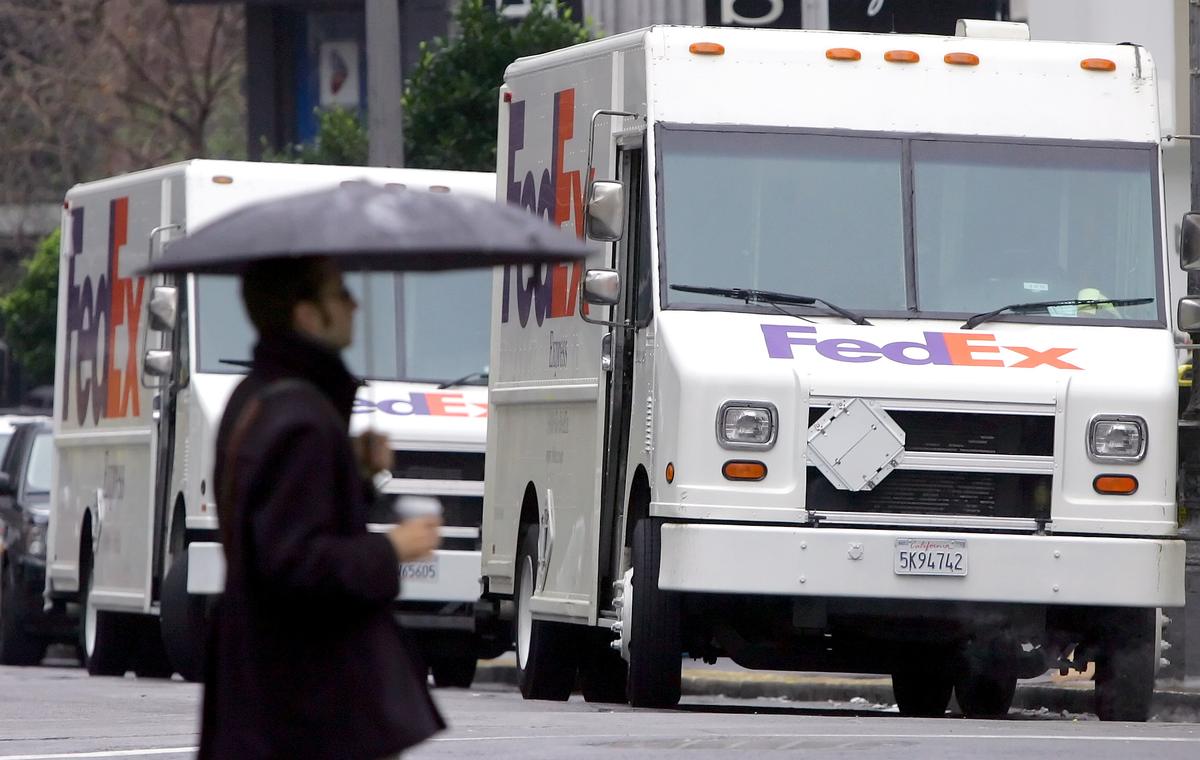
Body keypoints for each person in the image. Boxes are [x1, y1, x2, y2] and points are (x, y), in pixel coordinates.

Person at [198, 256, 444, 759]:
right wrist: (391, 548)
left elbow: (273, 516)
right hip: (303, 701)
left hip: (260, 686)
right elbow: (293, 562)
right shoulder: (304, 419)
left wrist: (355, 472)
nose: (354, 303)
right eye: (339, 293)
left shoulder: (254, 397)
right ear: (306, 314)